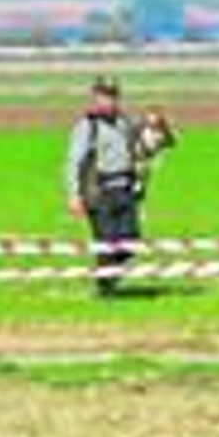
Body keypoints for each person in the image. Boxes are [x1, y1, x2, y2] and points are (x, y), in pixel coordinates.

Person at [64, 77, 146, 296]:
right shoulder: (87, 126)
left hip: (125, 190)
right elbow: (73, 162)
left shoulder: (125, 123)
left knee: (131, 242)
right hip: (99, 193)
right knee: (107, 243)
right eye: (103, 96)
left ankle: (108, 274)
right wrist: (73, 196)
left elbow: (137, 153)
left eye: (112, 96)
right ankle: (105, 286)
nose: (108, 101)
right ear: (95, 98)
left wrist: (139, 179)